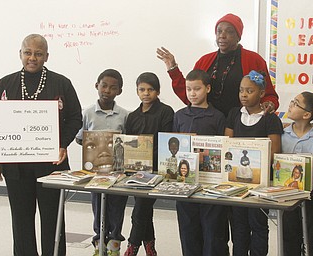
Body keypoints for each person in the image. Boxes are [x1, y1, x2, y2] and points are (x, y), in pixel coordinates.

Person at [0, 34, 82, 256]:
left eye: (38, 53)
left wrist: (62, 145)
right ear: (20, 54)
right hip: (16, 167)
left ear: (46, 56)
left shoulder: (61, 83)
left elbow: (75, 118)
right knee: (21, 221)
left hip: (52, 166)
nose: (32, 57)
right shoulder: (5, 84)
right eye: (28, 52)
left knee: (53, 219)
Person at [157, 13, 279, 117]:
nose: (222, 35)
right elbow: (189, 95)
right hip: (207, 124)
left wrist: (269, 104)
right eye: (219, 31)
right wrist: (173, 69)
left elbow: (269, 95)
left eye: (229, 31)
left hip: (241, 125)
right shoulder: (204, 61)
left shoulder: (254, 60)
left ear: (238, 36)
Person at [225, 70, 283, 255]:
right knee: (238, 224)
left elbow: (275, 151)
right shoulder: (234, 114)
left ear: (261, 94)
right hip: (235, 183)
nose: (243, 94)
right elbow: (227, 146)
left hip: (260, 185)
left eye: (249, 91)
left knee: (258, 224)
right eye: (241, 90)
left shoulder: (270, 119)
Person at [173, 69, 229, 255]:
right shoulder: (179, 115)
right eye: (189, 89)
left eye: (197, 89)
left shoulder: (218, 117)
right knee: (188, 230)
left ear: (208, 88)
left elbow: (224, 149)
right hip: (185, 182)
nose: (192, 93)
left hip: (210, 184)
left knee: (213, 231)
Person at [75, 69, 129, 256]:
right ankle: (99, 244)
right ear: (96, 85)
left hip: (118, 173)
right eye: (104, 85)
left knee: (117, 208)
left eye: (113, 87)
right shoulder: (87, 113)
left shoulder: (124, 115)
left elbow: (129, 143)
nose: (107, 90)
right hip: (95, 174)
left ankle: (114, 245)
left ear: (119, 91)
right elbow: (80, 138)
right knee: (98, 208)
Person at [123, 72, 174, 256]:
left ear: (158, 91)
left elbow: (166, 142)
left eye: (150, 89)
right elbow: (129, 142)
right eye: (142, 89)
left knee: (140, 211)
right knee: (144, 210)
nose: (146, 93)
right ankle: (150, 247)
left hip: (156, 171)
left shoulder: (166, 111)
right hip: (135, 171)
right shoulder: (133, 116)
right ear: (137, 92)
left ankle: (132, 246)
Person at [281, 92, 313, 256]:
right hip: (288, 195)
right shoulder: (282, 134)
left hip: (310, 195)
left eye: (296, 103)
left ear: (307, 114)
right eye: (292, 101)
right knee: (289, 235)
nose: (290, 105)